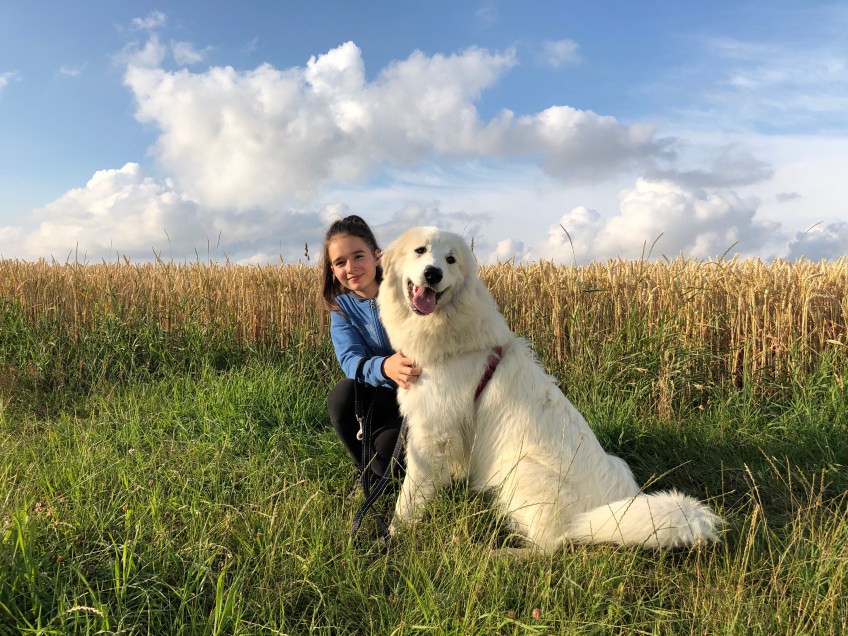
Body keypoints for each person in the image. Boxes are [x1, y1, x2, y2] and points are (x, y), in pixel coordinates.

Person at [320, 215, 420, 478]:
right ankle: (364, 470)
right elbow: (350, 360)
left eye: (358, 256)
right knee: (342, 396)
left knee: (391, 457)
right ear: (333, 270)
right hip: (382, 397)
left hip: (419, 394)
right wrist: (385, 367)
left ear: (377, 256)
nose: (350, 267)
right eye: (340, 262)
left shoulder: (407, 292)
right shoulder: (341, 308)